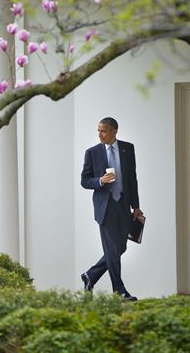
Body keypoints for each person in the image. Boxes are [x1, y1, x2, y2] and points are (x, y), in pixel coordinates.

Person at [80, 117, 143, 301]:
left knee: (119, 248)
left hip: (123, 205)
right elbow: (84, 180)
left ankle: (90, 275)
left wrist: (136, 205)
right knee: (112, 249)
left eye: (104, 131)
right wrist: (100, 181)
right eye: (98, 131)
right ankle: (119, 291)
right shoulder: (92, 152)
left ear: (115, 131)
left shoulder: (128, 148)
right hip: (105, 207)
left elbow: (132, 179)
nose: (100, 134)